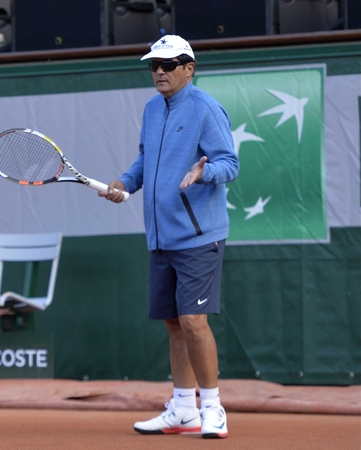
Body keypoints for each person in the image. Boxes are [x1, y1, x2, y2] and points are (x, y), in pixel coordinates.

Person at [100, 35, 238, 439]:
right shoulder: (151, 109)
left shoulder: (205, 108)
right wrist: (125, 183)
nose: (159, 71)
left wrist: (203, 173)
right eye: (153, 65)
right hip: (161, 238)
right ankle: (182, 408)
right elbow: (146, 160)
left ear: (188, 68)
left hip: (198, 235)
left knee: (194, 321)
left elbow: (229, 162)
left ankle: (212, 407)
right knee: (174, 324)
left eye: (169, 64)